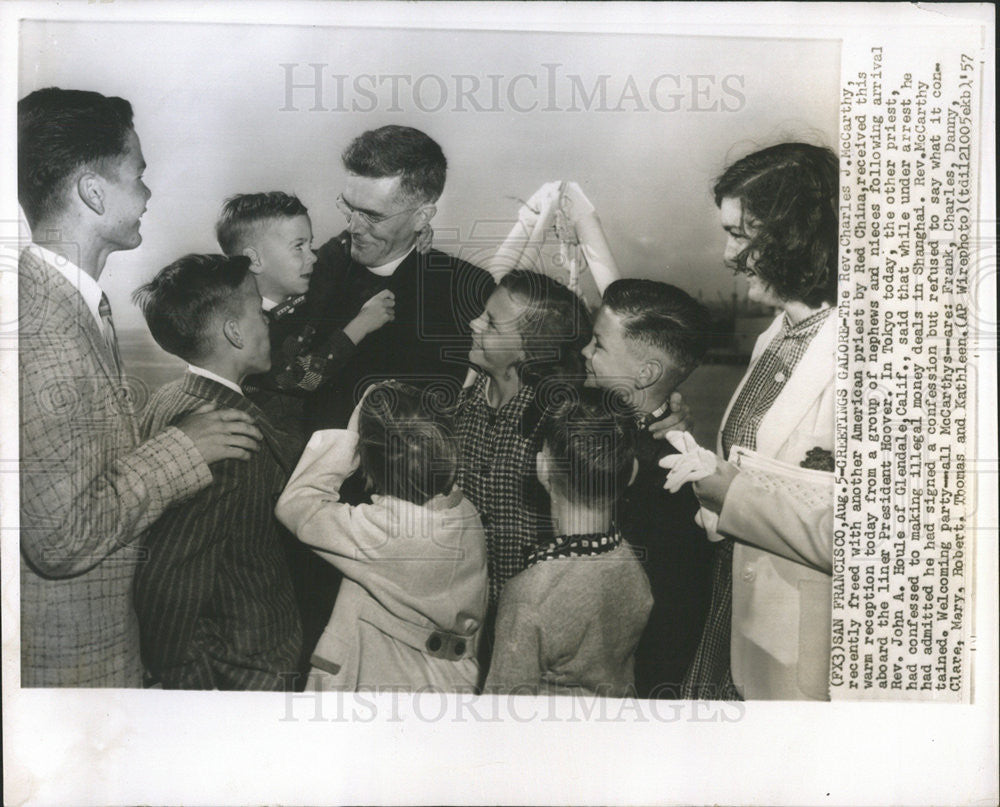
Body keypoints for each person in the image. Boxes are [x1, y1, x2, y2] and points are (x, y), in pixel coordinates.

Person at [17, 87, 262, 687]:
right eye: (138, 174)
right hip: (73, 669)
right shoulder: (46, 330)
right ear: (93, 192)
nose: (149, 193)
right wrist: (187, 446)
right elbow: (60, 538)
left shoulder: (60, 306)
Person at [671, 142, 838, 701]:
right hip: (733, 615)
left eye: (741, 234)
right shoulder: (776, 334)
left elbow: (868, 536)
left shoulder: (869, 351)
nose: (726, 254)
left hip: (796, 653)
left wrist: (730, 492)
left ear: (800, 236)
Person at [131, 254, 302, 689]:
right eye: (260, 312)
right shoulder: (229, 437)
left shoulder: (170, 397)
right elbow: (168, 578)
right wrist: (194, 686)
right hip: (244, 668)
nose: (269, 321)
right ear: (233, 331)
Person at [276, 381, 488, 691]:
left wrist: (349, 436)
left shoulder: (386, 531)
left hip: (385, 681)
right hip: (451, 681)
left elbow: (298, 505)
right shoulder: (463, 511)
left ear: (372, 460)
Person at [304, 125, 495, 432]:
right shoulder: (310, 270)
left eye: (372, 216)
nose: (353, 227)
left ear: (422, 217)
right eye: (349, 208)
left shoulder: (467, 291)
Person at [581, 279, 714, 698]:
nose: (585, 352)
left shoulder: (673, 481)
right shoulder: (598, 420)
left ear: (645, 373)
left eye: (599, 345)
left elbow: (669, 625)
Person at [485, 388, 652, 696]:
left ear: (542, 468)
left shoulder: (529, 594)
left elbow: (501, 713)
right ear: (631, 475)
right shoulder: (630, 560)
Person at [455, 269, 593, 616]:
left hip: (535, 613)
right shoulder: (460, 407)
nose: (474, 324)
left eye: (491, 323)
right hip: (467, 611)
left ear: (528, 351)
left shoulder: (557, 424)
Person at [216, 191, 395, 433]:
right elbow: (301, 377)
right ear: (254, 260)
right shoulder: (244, 330)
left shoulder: (309, 273)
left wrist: (409, 233)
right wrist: (361, 324)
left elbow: (339, 248)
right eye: (298, 246)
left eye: (309, 244)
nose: (312, 256)